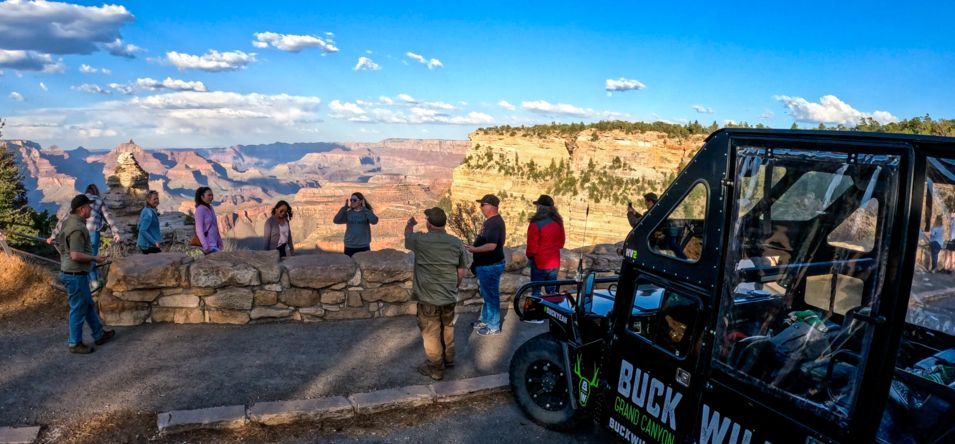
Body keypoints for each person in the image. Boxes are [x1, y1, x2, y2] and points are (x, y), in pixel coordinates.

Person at [405, 208, 468, 381]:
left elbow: (407, 236)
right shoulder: (456, 242)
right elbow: (461, 270)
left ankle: (436, 369)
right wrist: (454, 286)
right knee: (447, 327)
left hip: (428, 298)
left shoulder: (420, 240)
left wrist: (410, 224)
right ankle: (449, 360)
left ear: (429, 224)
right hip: (449, 296)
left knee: (431, 334)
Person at [57, 194, 115, 354]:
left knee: (88, 304)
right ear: (82, 210)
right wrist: (94, 258)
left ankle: (99, 334)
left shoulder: (69, 222)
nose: (91, 209)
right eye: (89, 207)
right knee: (77, 308)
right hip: (74, 274)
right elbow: (75, 254)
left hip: (73, 272)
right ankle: (74, 343)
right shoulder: (77, 228)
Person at [48, 184, 121, 288]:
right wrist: (116, 233)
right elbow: (108, 217)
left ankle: (86, 285)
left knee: (81, 260)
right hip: (92, 233)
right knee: (91, 260)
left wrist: (53, 236)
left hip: (77, 232)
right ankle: (95, 285)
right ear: (96, 192)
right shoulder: (99, 200)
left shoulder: (79, 202)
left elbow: (64, 219)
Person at [466, 194, 506, 336]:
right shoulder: (491, 221)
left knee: (491, 296)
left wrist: (474, 249)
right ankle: (486, 320)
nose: (480, 207)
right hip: (486, 265)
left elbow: (491, 245)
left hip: (490, 266)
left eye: (482, 205)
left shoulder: (494, 223)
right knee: (487, 294)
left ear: (490, 206)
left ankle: (493, 326)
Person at [525, 194, 565, 297]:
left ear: (540, 207)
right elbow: (561, 243)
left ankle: (535, 311)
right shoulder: (558, 222)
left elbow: (532, 248)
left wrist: (530, 257)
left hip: (539, 262)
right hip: (554, 263)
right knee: (551, 292)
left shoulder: (536, 223)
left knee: (536, 291)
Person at [333, 192, 378, 256]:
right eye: (351, 200)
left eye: (354, 200)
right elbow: (336, 221)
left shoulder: (366, 213)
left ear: (361, 201)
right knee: (349, 265)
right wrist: (344, 208)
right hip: (349, 246)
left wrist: (365, 209)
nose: (352, 202)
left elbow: (374, 221)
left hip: (363, 246)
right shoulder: (348, 213)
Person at [194, 187, 223, 254]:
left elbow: (215, 227)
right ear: (202, 197)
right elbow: (199, 230)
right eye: (209, 195)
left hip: (216, 245)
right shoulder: (200, 210)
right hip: (209, 247)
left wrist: (220, 242)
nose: (211, 197)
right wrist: (206, 247)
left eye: (212, 195)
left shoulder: (210, 208)